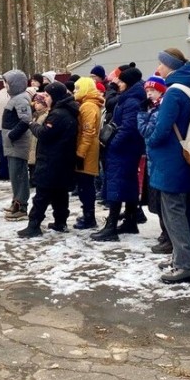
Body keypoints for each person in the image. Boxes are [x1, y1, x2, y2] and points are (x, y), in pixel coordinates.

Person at [145, 49, 190, 283]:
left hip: (170, 162)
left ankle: (183, 264)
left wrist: (150, 139)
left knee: (173, 213)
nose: (158, 69)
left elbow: (162, 128)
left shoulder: (173, 93)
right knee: (185, 212)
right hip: (185, 158)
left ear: (171, 66)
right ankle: (181, 257)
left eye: (161, 64)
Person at [18, 82, 79, 238]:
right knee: (60, 192)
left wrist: (32, 125)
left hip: (52, 160)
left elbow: (45, 134)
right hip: (62, 159)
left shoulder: (58, 114)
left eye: (48, 95)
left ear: (55, 96)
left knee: (42, 194)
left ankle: (34, 225)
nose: (45, 98)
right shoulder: (67, 110)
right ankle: (60, 222)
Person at [91, 66, 146, 241]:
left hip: (123, 149)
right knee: (127, 184)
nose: (118, 83)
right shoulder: (129, 98)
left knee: (116, 185)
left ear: (128, 82)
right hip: (127, 149)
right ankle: (130, 220)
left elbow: (129, 127)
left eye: (121, 81)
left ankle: (111, 226)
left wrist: (113, 144)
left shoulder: (131, 101)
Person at [137, 75, 171, 253]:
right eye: (148, 91)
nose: (149, 94)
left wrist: (142, 114)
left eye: (153, 91)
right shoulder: (153, 109)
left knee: (162, 202)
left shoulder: (158, 111)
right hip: (153, 160)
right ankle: (164, 233)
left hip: (158, 160)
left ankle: (167, 235)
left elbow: (146, 131)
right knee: (156, 201)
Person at [1, 70, 33, 220]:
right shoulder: (15, 98)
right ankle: (16, 201)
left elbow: (26, 120)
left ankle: (22, 205)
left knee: (19, 174)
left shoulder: (21, 99)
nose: (6, 86)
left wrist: (12, 135)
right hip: (12, 144)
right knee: (14, 175)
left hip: (17, 143)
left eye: (8, 83)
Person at [73, 77, 104, 230]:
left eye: (78, 89)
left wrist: (80, 153)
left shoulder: (88, 106)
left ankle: (89, 216)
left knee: (86, 185)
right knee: (85, 184)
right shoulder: (88, 104)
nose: (74, 92)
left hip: (87, 152)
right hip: (88, 150)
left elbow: (88, 131)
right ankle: (87, 213)